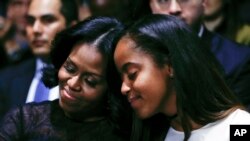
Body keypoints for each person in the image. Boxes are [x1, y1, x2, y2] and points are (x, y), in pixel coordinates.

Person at [114, 14, 250, 141]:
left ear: (171, 66)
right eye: (121, 79)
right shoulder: (150, 134)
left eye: (132, 74)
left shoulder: (239, 126)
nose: (123, 88)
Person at [0, 16, 131, 141]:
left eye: (90, 81)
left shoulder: (126, 135)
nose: (73, 83)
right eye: (70, 68)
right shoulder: (23, 119)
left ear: (112, 87)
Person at [148, 0, 250, 111]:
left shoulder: (237, 60)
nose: (174, 9)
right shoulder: (136, 54)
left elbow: (240, 126)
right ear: (150, 5)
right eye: (163, 1)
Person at [0, 0, 78, 121]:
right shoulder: (6, 80)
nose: (35, 29)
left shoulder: (82, 83)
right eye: (30, 21)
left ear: (71, 28)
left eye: (48, 20)